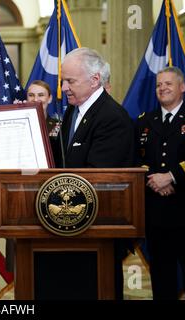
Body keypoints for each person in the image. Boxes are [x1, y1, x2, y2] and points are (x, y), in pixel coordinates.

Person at [60, 47, 134, 300]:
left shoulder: (112, 117)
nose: (63, 87)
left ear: (94, 80)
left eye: (70, 81)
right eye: (63, 81)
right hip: (73, 225)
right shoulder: (74, 110)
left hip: (99, 225)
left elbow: (99, 176)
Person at [135, 66, 185, 300]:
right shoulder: (145, 121)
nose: (162, 88)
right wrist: (154, 179)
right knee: (161, 277)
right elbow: (137, 159)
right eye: (158, 85)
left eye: (168, 84)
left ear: (182, 87)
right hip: (156, 213)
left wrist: (172, 176)